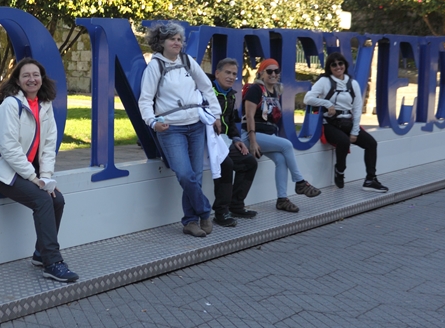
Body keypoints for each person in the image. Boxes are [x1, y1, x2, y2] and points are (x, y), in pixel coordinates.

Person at [0, 57, 79, 283]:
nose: (31, 79)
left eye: (35, 75)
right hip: (0, 169)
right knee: (42, 200)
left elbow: (49, 145)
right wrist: (33, 178)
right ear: (17, 80)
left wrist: (46, 178)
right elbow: (9, 148)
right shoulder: (10, 105)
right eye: (26, 75)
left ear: (42, 78)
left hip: (25, 169)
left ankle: (40, 254)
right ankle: (52, 262)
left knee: (57, 199)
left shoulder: (45, 105)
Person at [138, 22, 222, 238]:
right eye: (172, 39)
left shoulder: (187, 61)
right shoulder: (155, 66)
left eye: (179, 39)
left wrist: (216, 114)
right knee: (185, 174)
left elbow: (206, 87)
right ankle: (205, 210)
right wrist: (152, 122)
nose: (177, 43)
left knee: (196, 175)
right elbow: (145, 100)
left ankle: (190, 222)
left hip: (196, 125)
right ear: (161, 42)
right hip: (171, 129)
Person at [242, 58, 322, 212]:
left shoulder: (276, 91)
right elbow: (249, 116)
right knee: (287, 145)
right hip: (251, 135)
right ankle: (300, 182)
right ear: (261, 73)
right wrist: (252, 142)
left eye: (276, 71)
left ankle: (282, 199)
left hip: (266, 136)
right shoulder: (256, 89)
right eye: (269, 71)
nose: (273, 74)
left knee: (281, 160)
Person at [304, 51, 388, 193]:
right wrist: (326, 103)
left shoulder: (353, 83)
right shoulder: (324, 81)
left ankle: (370, 179)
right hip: (330, 123)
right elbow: (307, 98)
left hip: (347, 122)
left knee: (371, 144)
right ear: (329, 68)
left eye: (340, 63)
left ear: (345, 65)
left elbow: (357, 108)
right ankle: (340, 170)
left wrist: (355, 131)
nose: (338, 67)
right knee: (343, 141)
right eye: (334, 65)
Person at [209, 58, 259, 226]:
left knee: (249, 162)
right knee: (227, 164)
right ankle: (221, 212)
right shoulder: (207, 91)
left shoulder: (230, 94)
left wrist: (236, 139)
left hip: (224, 141)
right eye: (227, 73)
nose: (231, 77)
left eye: (234, 74)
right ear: (217, 73)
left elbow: (230, 122)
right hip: (207, 141)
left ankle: (236, 206)